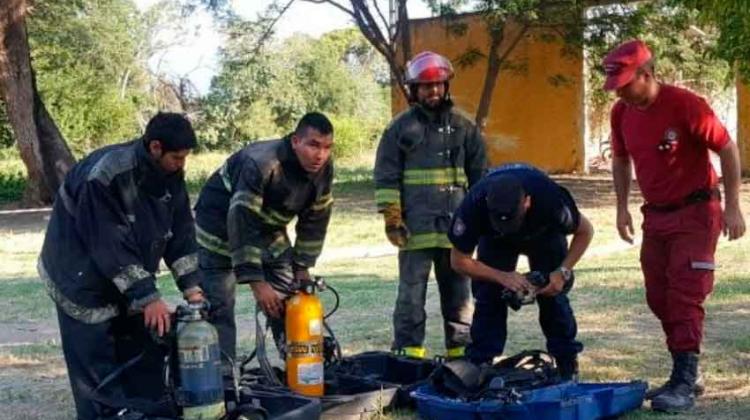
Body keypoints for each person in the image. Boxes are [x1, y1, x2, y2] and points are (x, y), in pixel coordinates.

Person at [604, 40, 745, 412]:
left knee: (685, 293)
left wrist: (734, 206)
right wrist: (621, 208)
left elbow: (727, 148)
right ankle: (686, 371)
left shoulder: (686, 105)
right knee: (658, 295)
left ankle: (685, 378)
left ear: (647, 75)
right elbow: (620, 161)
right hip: (657, 216)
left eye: (624, 84)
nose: (618, 92)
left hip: (697, 212)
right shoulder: (621, 113)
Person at [38, 112, 204, 419]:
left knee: (143, 362)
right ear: (155, 147)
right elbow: (108, 243)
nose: (183, 164)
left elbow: (181, 230)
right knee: (97, 371)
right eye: (177, 157)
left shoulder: (170, 173)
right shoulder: (106, 175)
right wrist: (149, 297)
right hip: (78, 275)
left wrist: (193, 288)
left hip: (125, 274)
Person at [194, 112, 334, 380]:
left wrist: (302, 267)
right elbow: (242, 220)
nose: (320, 155)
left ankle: (300, 367)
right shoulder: (260, 163)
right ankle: (223, 382)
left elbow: (316, 219)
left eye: (327, 147)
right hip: (218, 227)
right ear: (295, 141)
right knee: (220, 307)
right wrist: (258, 284)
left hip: (267, 228)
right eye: (313, 145)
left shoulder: (323, 170)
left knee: (290, 294)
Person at [373, 51, 486, 359]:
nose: (433, 92)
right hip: (415, 231)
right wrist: (393, 218)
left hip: (456, 232)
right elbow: (386, 176)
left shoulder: (465, 128)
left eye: (438, 85)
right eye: (425, 86)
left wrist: (480, 224)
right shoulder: (399, 129)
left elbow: (480, 181)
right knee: (410, 297)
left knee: (459, 297)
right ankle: (409, 356)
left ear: (446, 86)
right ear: (414, 90)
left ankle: (461, 357)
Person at [448, 163, 594, 380]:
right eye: (500, 220)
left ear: (527, 202)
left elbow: (585, 231)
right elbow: (458, 261)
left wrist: (562, 271)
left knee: (554, 297)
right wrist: (501, 276)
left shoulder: (551, 199)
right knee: (489, 295)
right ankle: (479, 364)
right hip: (496, 241)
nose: (508, 225)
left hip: (544, 235)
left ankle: (566, 363)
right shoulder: (474, 206)